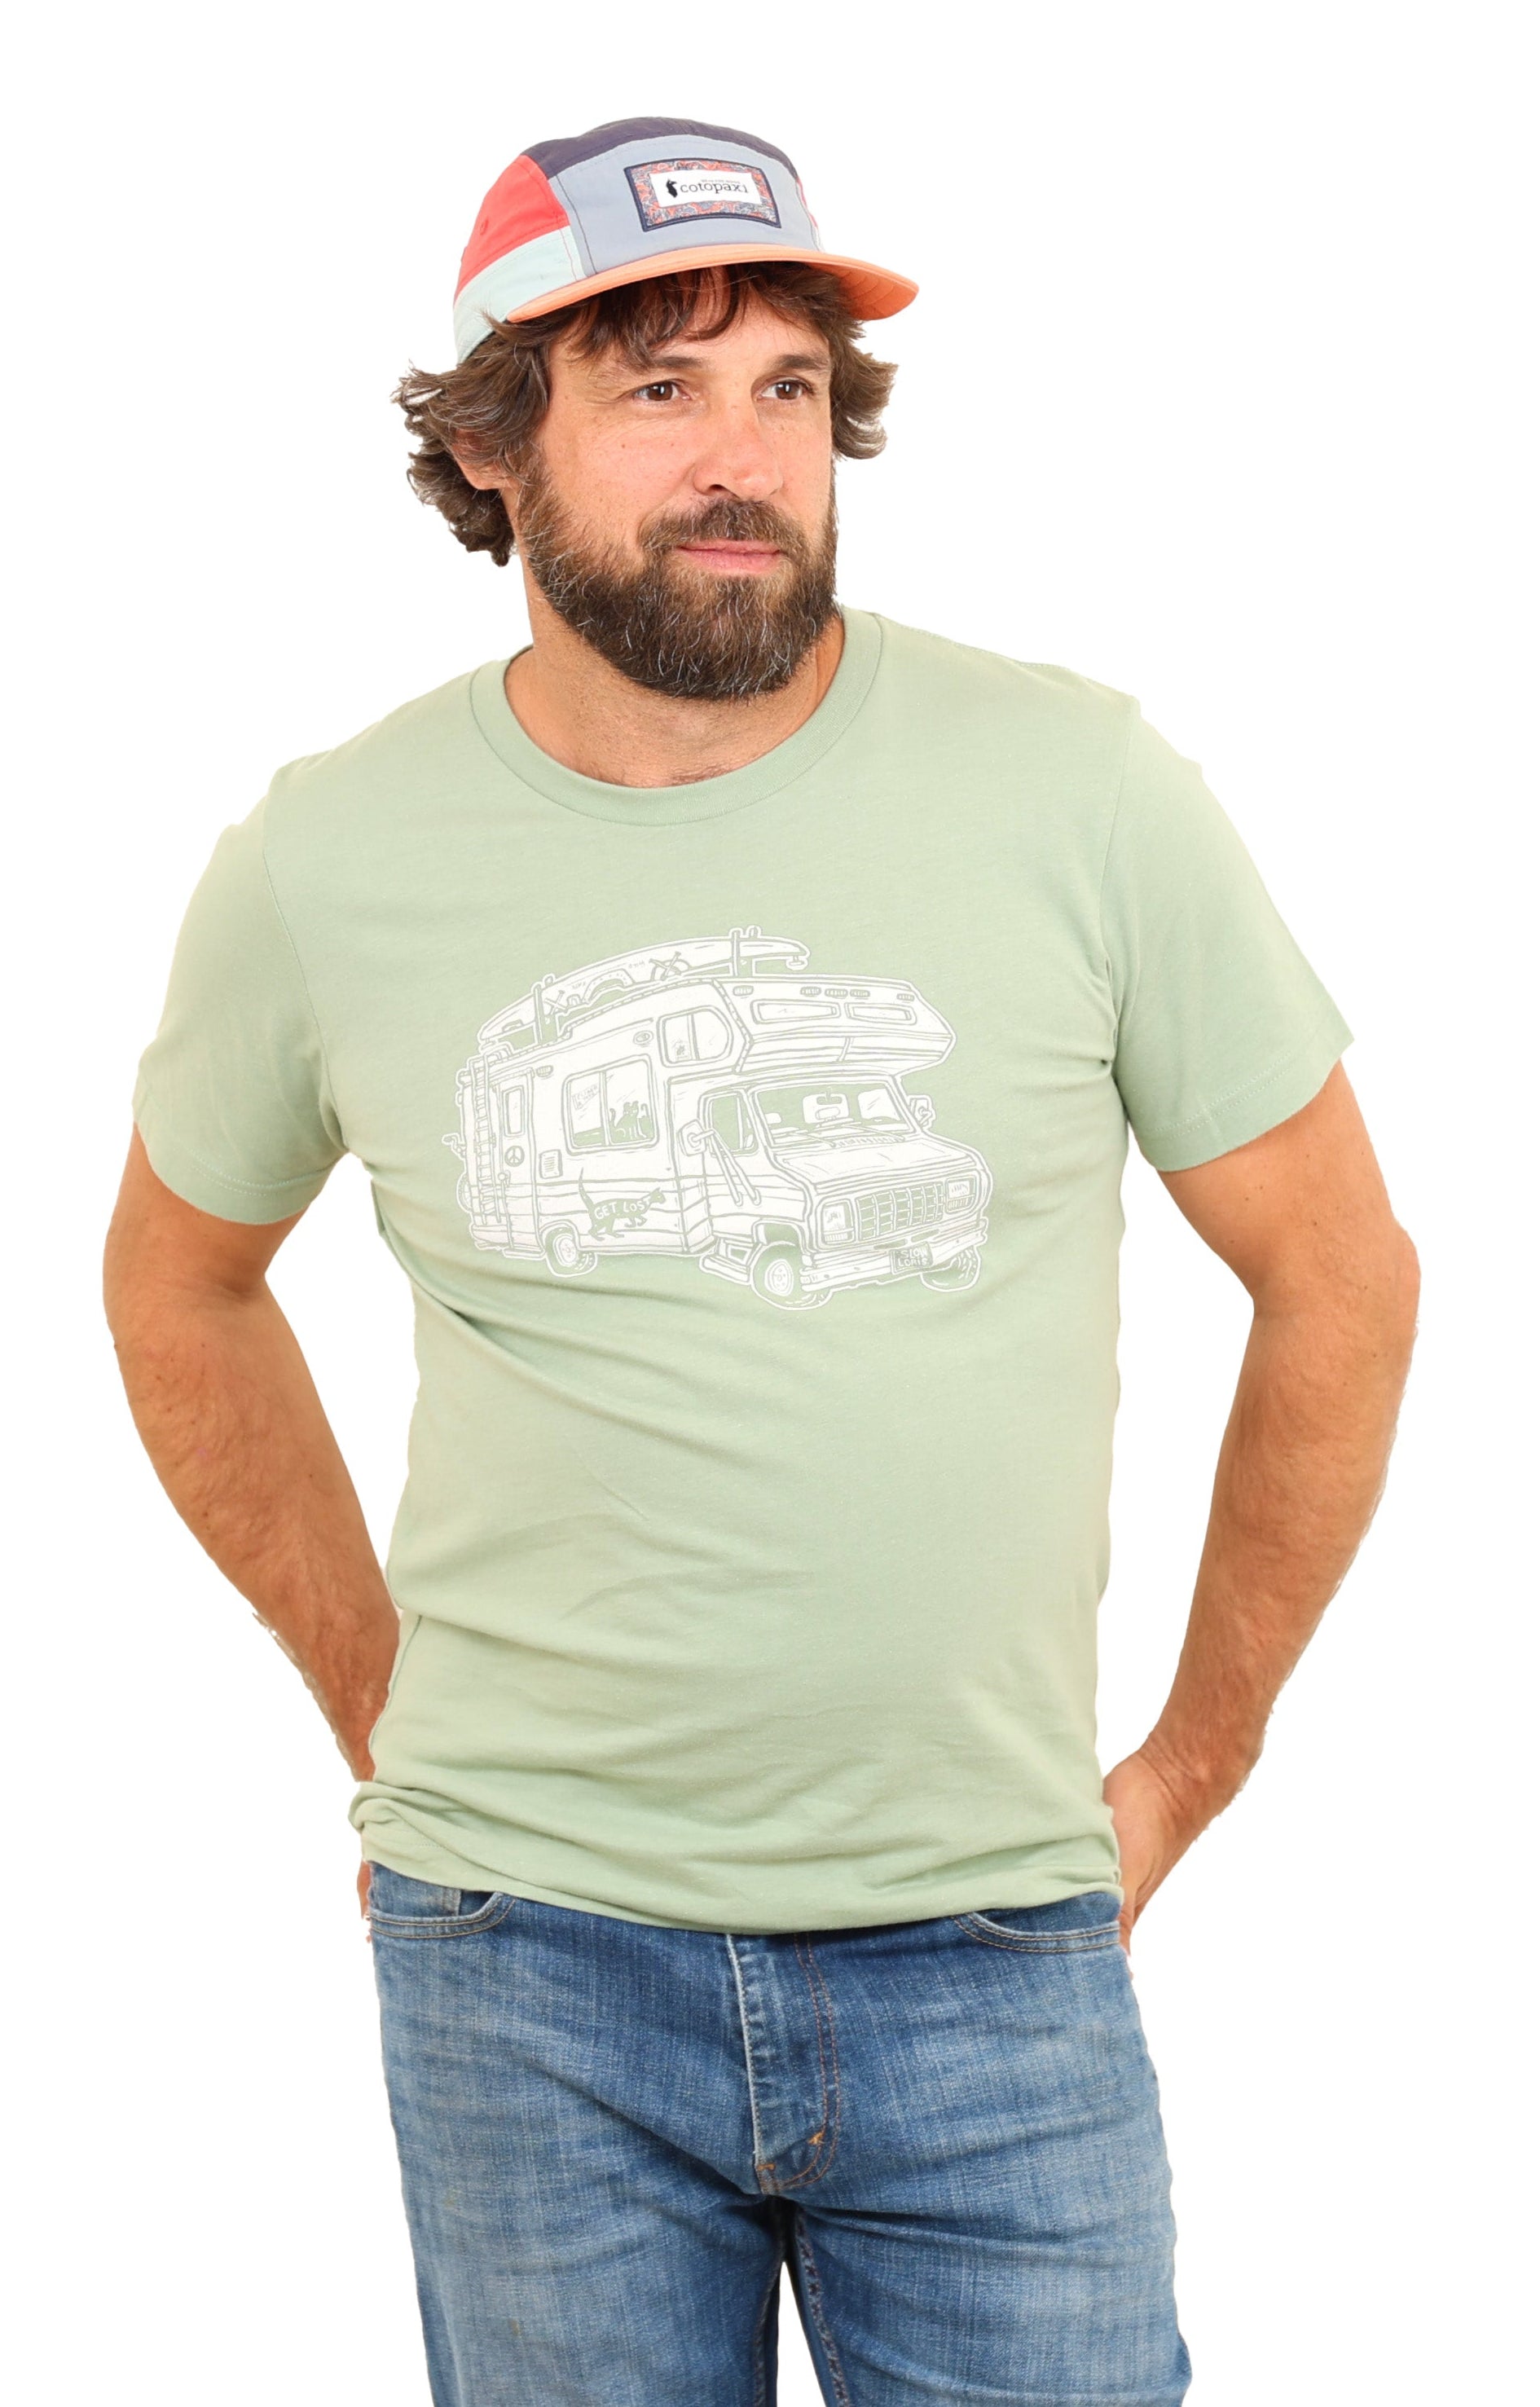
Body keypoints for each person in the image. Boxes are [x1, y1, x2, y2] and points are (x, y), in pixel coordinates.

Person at [103, 115, 1419, 2407]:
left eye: (788, 389)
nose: (746, 462)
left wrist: (1191, 1766)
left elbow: (1337, 1271)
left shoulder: (1077, 792)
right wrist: (379, 1709)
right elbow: (173, 1282)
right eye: (658, 388)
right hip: (522, 1959)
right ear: (497, 445)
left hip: (997, 1938)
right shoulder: (328, 863)